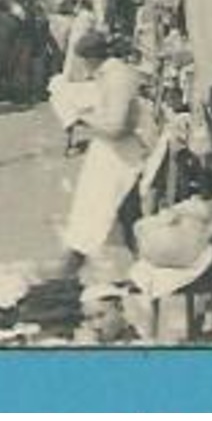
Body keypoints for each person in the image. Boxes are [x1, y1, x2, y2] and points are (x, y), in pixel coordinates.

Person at [59, 31, 153, 272]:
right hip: (112, 152)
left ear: (90, 59)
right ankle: (79, 260)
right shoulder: (109, 73)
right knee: (114, 211)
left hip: (122, 155)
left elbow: (116, 127)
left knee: (99, 208)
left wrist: (83, 117)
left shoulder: (117, 77)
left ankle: (74, 264)